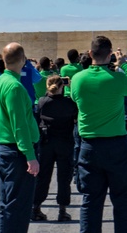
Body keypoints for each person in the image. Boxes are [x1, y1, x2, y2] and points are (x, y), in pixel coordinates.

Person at [70, 36, 127, 233]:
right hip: (117, 145)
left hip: (89, 146)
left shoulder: (78, 79)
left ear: (90, 53)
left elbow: (76, 100)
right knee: (125, 200)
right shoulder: (117, 78)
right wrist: (125, 66)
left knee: (90, 202)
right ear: (110, 54)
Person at [0, 43, 39, 233]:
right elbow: (19, 125)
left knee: (8, 203)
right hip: (16, 152)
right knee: (18, 206)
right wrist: (30, 155)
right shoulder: (15, 87)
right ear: (23, 60)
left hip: (4, 148)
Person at [33, 76, 77, 222]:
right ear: (62, 86)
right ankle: (62, 210)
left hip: (46, 143)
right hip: (65, 143)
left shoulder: (42, 102)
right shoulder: (70, 104)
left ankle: (36, 207)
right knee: (64, 177)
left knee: (43, 176)